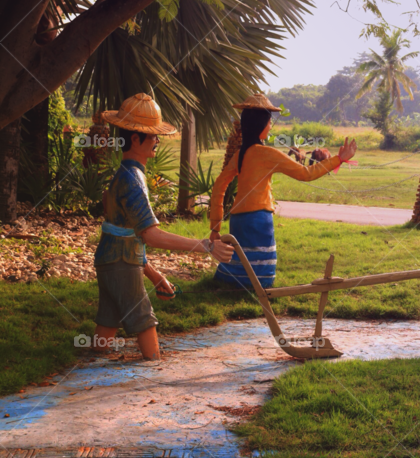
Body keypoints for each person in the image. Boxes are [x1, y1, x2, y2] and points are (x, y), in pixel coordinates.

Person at [95, 93, 235, 360]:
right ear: (136, 139)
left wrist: (156, 277)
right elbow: (150, 235)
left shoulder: (124, 175)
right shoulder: (134, 180)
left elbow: (128, 236)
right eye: (153, 136)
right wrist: (206, 246)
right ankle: (154, 368)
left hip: (110, 260)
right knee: (144, 321)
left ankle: (87, 368)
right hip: (122, 264)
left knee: (108, 321)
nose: (157, 141)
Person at [209, 94, 357, 287]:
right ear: (261, 125)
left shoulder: (240, 154)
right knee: (261, 276)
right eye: (269, 122)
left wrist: (215, 227)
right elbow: (306, 173)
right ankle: (256, 286)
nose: (271, 126)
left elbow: (219, 186)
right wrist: (339, 159)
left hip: (238, 220)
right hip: (258, 220)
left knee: (239, 266)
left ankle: (233, 283)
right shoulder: (267, 154)